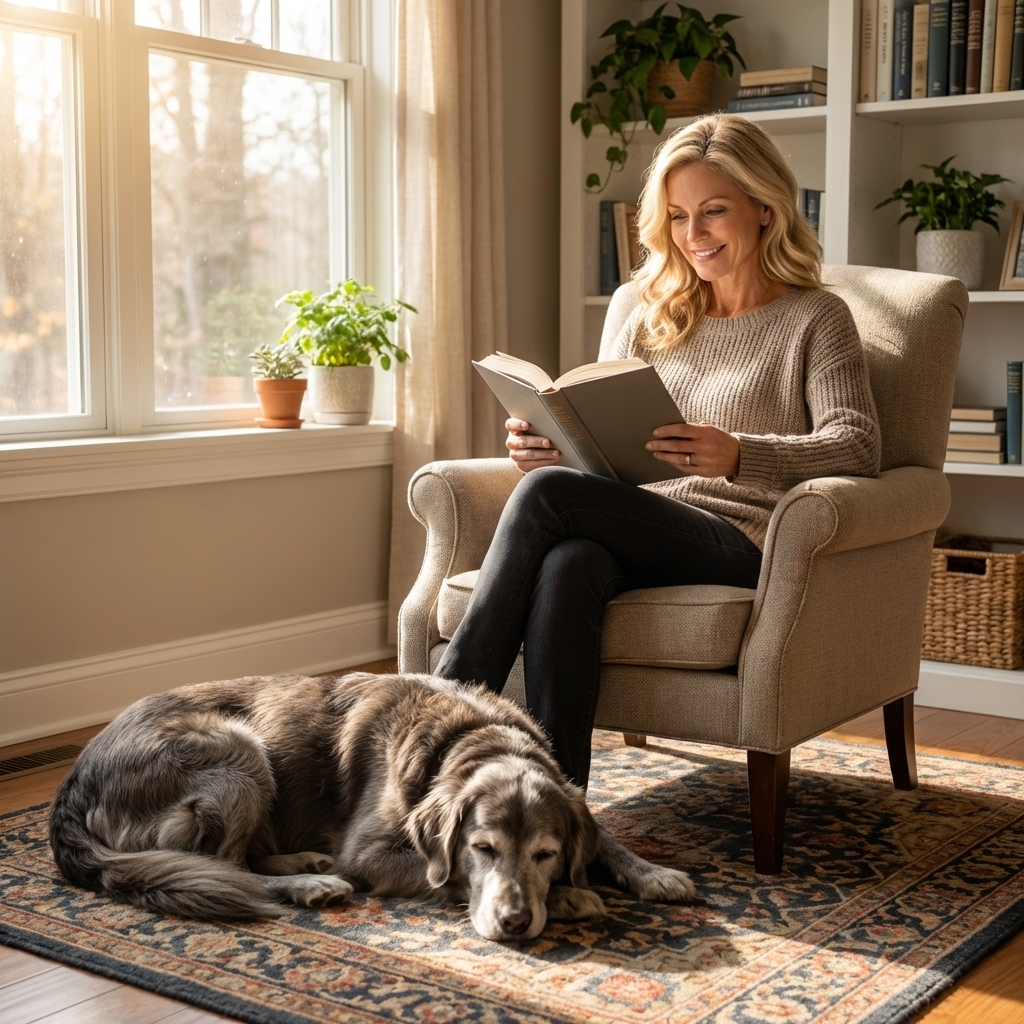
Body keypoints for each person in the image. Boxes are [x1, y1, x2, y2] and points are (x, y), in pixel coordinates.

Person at [435, 114, 880, 789]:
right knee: (569, 561)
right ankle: (557, 800)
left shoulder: (816, 318)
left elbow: (858, 445)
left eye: (713, 212)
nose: (693, 235)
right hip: (637, 524)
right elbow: (600, 455)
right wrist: (549, 447)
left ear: (765, 209)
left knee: (552, 506)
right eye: (677, 216)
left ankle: (432, 718)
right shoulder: (653, 317)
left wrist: (738, 456)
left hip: (741, 539)